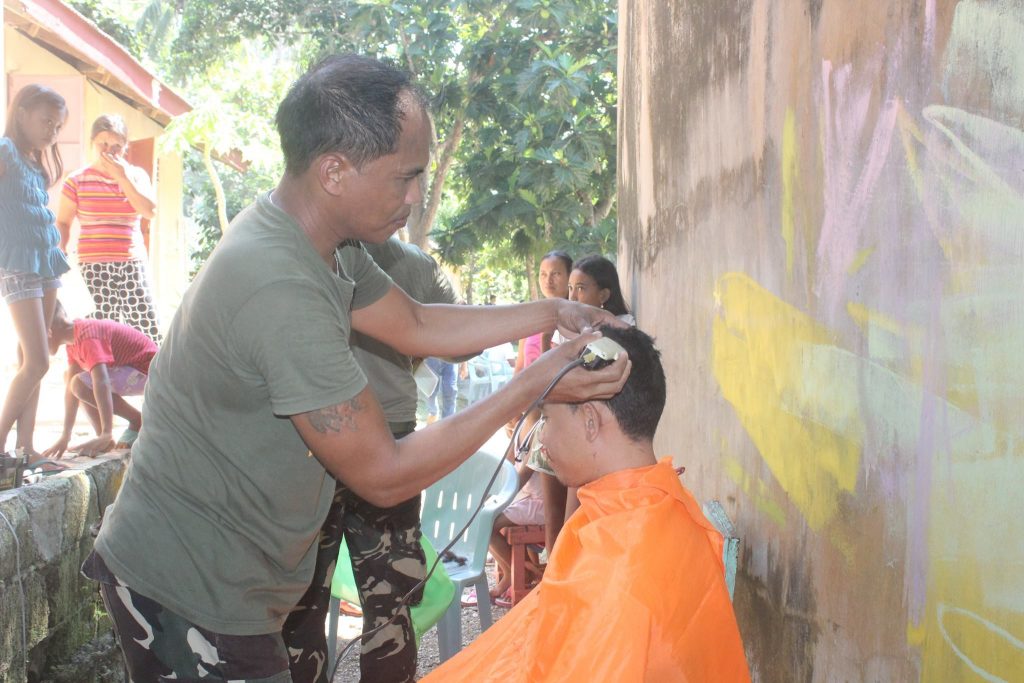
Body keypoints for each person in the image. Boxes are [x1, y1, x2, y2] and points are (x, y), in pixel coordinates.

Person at [82, 54, 629, 683]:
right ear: (335, 172)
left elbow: (418, 324)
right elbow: (385, 474)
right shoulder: (280, 286)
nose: (417, 195)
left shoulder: (324, 244)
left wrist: (554, 313)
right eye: (405, 176)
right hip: (188, 587)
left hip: (233, 577)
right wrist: (535, 381)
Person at [424, 325, 750, 682]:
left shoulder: (622, 564)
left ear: (592, 422)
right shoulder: (661, 505)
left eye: (546, 418)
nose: (541, 437)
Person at [283, 235, 468, 682]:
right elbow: (460, 342)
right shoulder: (417, 264)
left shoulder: (308, 248)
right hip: (381, 434)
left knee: (305, 599)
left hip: (322, 440)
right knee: (392, 600)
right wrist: (407, 353)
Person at [0, 84, 70, 462]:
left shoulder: (35, 164)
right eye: (46, 121)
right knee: (38, 361)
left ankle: (26, 447)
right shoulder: (7, 150)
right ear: (22, 113)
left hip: (46, 264)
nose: (51, 132)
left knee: (35, 358)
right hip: (17, 263)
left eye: (57, 127)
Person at [57, 114, 161, 342]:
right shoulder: (77, 180)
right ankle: (102, 378)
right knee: (101, 331)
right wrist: (60, 251)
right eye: (103, 144)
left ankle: (149, 376)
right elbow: (63, 222)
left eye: (116, 146)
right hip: (94, 264)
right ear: (92, 143)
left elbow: (149, 212)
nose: (109, 151)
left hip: (131, 262)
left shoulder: (135, 176)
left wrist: (123, 178)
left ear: (125, 148)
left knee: (146, 328)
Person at [510, 250, 573, 558]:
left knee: (533, 459)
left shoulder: (574, 321)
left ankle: (552, 551)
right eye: (544, 274)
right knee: (516, 453)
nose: (549, 280)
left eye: (557, 274)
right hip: (529, 412)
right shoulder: (531, 323)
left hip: (553, 413)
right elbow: (520, 373)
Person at [41, 301, 157, 459]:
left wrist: (107, 432)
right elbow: (71, 391)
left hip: (149, 372)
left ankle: (134, 421)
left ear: (48, 331)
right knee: (72, 381)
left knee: (79, 383)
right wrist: (65, 435)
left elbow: (101, 382)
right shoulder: (73, 343)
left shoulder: (88, 335)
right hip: (135, 372)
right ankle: (103, 438)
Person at [567, 254, 634, 324]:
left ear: (603, 295)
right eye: (570, 288)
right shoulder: (564, 328)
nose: (572, 298)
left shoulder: (623, 324)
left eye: (580, 288)